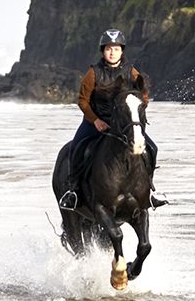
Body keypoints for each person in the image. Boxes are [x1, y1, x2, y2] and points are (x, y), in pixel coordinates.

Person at [61, 28, 166, 209]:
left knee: (152, 149)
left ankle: (150, 191)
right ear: (103, 51)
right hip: (95, 122)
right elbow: (83, 101)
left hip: (124, 123)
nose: (112, 52)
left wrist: (136, 112)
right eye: (109, 49)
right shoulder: (93, 73)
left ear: (122, 51)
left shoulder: (131, 72)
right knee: (76, 148)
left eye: (116, 49)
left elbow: (143, 95)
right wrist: (95, 120)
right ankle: (73, 191)